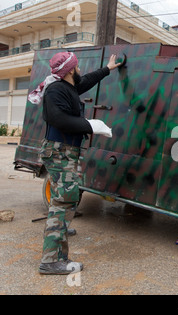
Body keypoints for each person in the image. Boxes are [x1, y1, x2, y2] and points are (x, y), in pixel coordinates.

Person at [28, 51, 122, 275]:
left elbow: (86, 80)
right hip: (59, 150)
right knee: (64, 202)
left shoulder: (68, 87)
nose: (79, 70)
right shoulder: (56, 90)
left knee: (64, 201)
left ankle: (57, 237)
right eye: (77, 67)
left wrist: (108, 69)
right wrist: (91, 125)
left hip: (65, 150)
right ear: (70, 70)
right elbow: (58, 118)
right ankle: (51, 261)